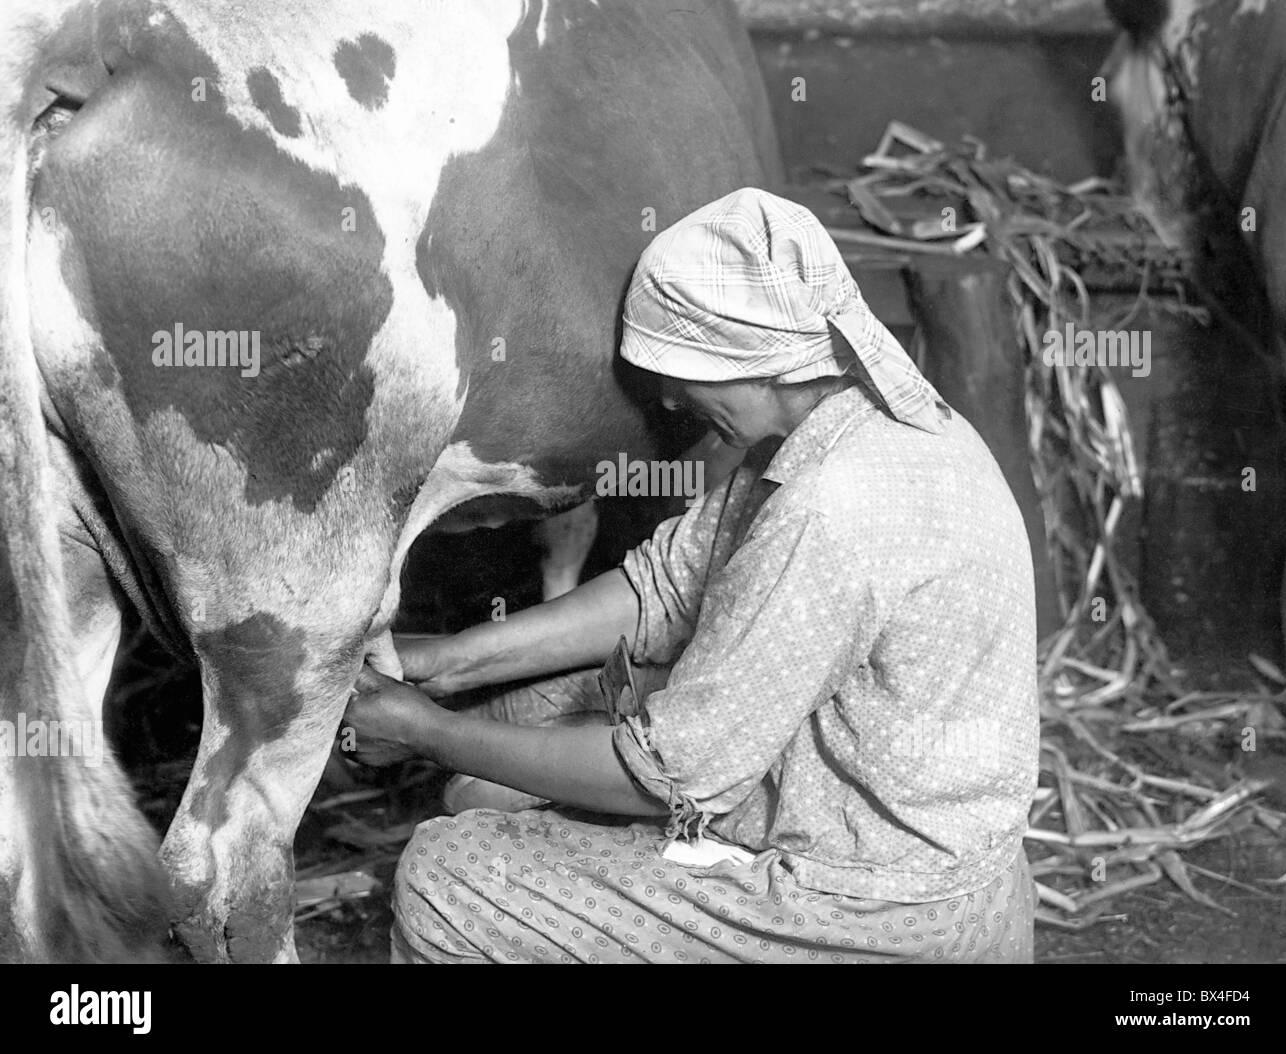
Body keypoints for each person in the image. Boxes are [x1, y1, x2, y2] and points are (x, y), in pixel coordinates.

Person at [344, 187, 1040, 964]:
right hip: (868, 804)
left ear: (746, 354)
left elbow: (669, 778)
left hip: (872, 904)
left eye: (676, 368)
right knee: (511, 726)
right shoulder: (840, 425)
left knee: (446, 876)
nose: (669, 396)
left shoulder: (833, 507)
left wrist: (425, 732)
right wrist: (440, 663)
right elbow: (664, 591)